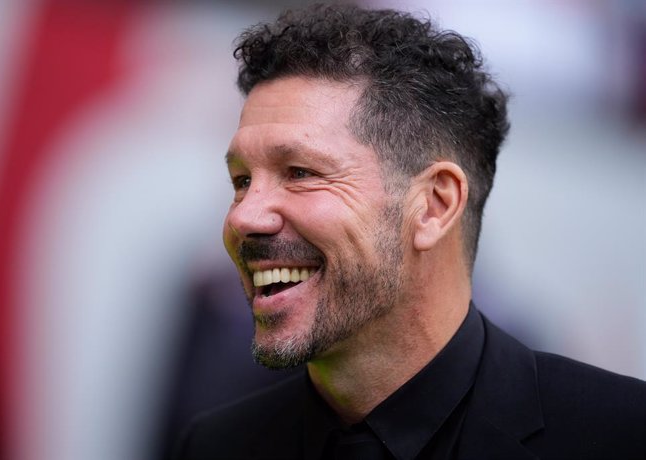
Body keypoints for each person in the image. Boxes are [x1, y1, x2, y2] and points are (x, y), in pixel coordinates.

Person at [175, 4, 646, 459]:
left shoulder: (619, 434)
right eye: (241, 181)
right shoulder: (216, 445)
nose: (243, 218)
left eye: (300, 172)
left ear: (435, 205)